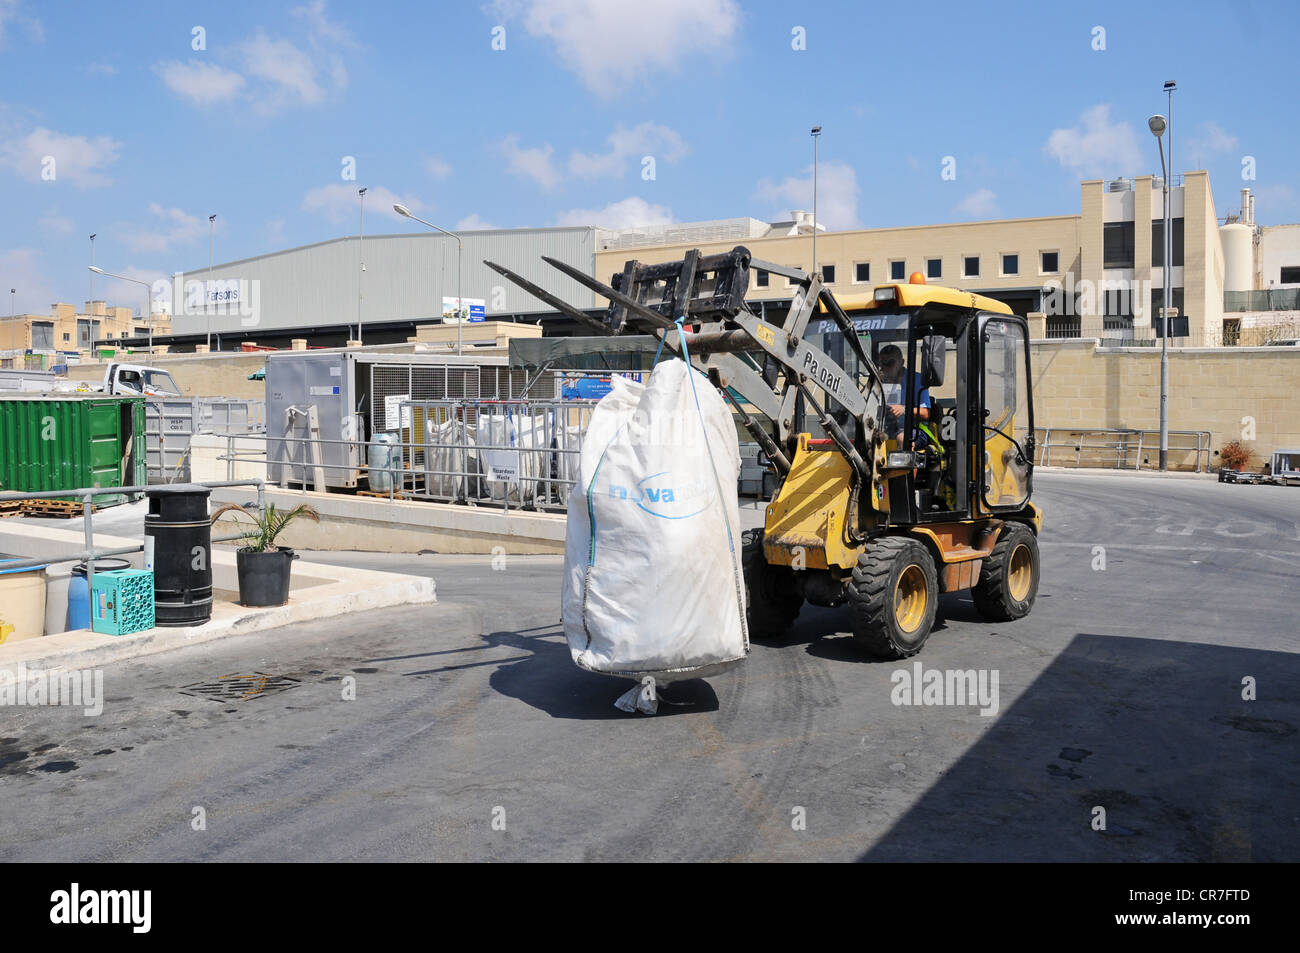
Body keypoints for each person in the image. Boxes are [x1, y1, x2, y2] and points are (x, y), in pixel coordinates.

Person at [877, 344, 930, 443]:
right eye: (882, 363)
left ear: (902, 362)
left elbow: (925, 413)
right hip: (884, 428)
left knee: (902, 439)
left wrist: (904, 409)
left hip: (912, 428)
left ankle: (904, 458)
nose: (885, 368)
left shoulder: (916, 380)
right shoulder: (878, 382)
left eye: (890, 363)